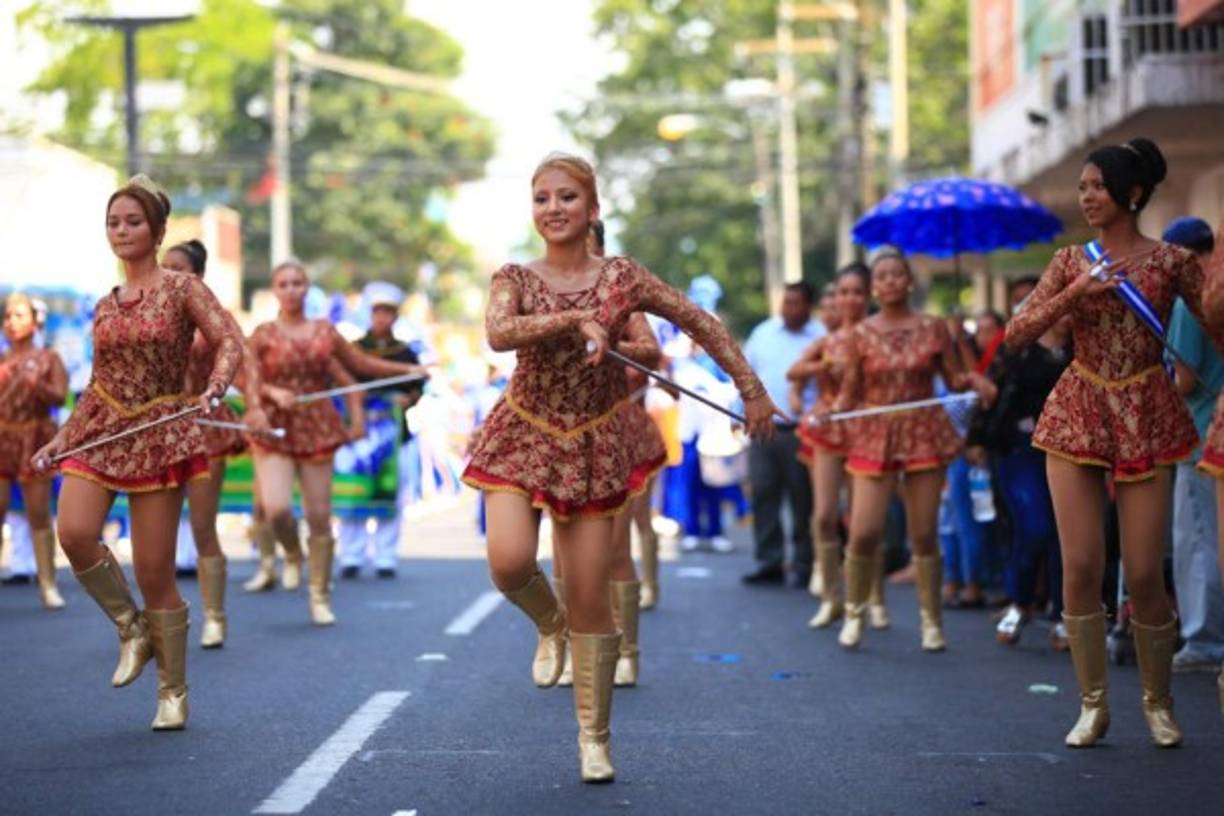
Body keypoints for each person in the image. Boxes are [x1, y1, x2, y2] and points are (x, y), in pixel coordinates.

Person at [461, 153, 778, 783]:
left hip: (592, 442)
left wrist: (752, 390)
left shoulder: (623, 277)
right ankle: (547, 623)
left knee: (590, 596)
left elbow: (699, 322)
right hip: (522, 431)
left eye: (567, 197)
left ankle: (594, 739)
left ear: (593, 208)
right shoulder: (514, 276)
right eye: (542, 198)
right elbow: (499, 333)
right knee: (509, 562)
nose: (554, 208)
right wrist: (573, 319)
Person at [1005, 138, 1206, 748]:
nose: (1087, 197)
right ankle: (1092, 705)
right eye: (1083, 187)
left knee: (1143, 573)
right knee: (1083, 565)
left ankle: (1159, 703)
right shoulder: (1071, 260)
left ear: (1133, 193)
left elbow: (1215, 323)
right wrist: (1076, 294)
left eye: (1097, 186)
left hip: (1147, 408)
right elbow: (1016, 334)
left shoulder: (1172, 261)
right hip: (1079, 408)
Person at [31, 175, 245, 730]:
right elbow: (97, 383)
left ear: (157, 230)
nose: (121, 231)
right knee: (74, 532)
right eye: (113, 223)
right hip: (103, 429)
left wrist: (216, 385)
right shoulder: (105, 305)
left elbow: (228, 339)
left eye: (132, 222)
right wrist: (62, 438)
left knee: (154, 572)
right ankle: (132, 629)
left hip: (160, 432)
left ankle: (173, 692)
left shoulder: (182, 289)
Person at [820, 252, 995, 652]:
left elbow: (954, 380)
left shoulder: (933, 326)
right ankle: (855, 614)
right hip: (875, 434)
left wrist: (974, 376)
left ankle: (931, 622)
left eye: (897, 275)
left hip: (922, 432)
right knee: (863, 532)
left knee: (924, 533)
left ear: (910, 281)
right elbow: (850, 391)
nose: (890, 282)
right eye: (882, 276)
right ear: (874, 287)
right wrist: (830, 411)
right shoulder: (860, 333)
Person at [246, 260, 423, 626]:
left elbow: (360, 364)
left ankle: (319, 595)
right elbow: (242, 374)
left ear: (307, 288)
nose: (291, 289)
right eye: (284, 283)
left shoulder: (325, 331)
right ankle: (292, 553)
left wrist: (406, 369)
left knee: (319, 516)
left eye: (298, 283)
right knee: (276, 509)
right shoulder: (263, 333)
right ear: (274, 290)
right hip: (275, 425)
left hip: (317, 426)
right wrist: (270, 393)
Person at [162, 239, 270, 648]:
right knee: (157, 532)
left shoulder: (215, 317)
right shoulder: (147, 313)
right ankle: (161, 618)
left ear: (199, 275)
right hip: (160, 429)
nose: (169, 274)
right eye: (165, 266)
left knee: (202, 525)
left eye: (179, 268)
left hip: (205, 424)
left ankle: (214, 616)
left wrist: (255, 406)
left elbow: (245, 360)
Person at [968, 279, 1070, 648]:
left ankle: (1063, 614)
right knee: (1034, 526)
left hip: (1070, 449)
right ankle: (1019, 601)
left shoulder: (1083, 346)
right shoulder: (1018, 344)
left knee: (1065, 533)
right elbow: (988, 393)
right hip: (1019, 448)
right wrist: (976, 438)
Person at [788, 263, 887, 629]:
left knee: (863, 523)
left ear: (868, 295)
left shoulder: (878, 336)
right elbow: (793, 372)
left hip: (867, 430)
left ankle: (873, 597)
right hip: (829, 430)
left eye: (857, 292)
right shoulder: (828, 340)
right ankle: (831, 598)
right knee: (824, 515)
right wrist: (819, 370)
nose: (850, 299)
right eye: (844, 292)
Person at [1159, 218, 1224, 673]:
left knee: (1199, 540)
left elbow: (1182, 380)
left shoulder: (1191, 301)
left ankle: (1204, 639)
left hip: (1200, 434)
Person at [337, 282, 424, 580]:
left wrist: (407, 399)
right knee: (353, 490)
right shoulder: (353, 350)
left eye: (387, 312)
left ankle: (386, 555)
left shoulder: (406, 353)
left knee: (391, 491)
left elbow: (417, 387)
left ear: (395, 316)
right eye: (377, 311)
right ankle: (351, 554)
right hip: (358, 433)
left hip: (394, 434)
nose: (381, 318)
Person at [741, 282, 825, 588]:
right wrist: (738, 413)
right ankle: (769, 560)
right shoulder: (763, 333)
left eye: (795, 302)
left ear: (808, 306)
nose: (789, 308)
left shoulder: (820, 336)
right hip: (763, 429)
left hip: (803, 429)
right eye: (785, 302)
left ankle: (805, 562)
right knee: (763, 492)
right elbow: (745, 374)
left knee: (803, 498)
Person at [0, 292, 68, 609]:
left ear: (35, 321)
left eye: (19, 315)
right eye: (8, 316)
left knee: (38, 513)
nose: (12, 322)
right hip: (3, 437)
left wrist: (34, 384)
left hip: (35, 437)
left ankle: (48, 584)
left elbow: (60, 396)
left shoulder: (48, 358)